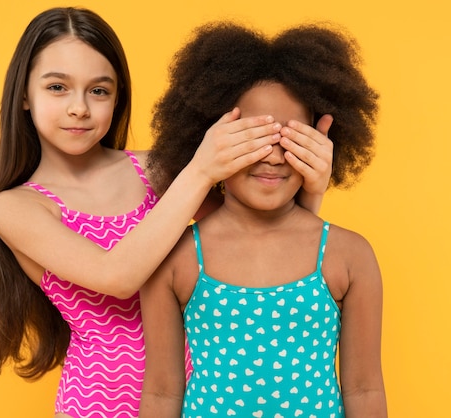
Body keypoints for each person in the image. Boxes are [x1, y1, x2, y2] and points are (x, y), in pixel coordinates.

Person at [0, 8, 333, 418]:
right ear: (23, 94)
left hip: (198, 397)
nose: (79, 108)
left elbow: (258, 243)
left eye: (99, 91)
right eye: (57, 87)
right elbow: (117, 277)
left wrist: (312, 189)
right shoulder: (17, 207)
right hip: (96, 403)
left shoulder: (155, 171)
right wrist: (200, 169)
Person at [139, 22, 386, 418]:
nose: (271, 157)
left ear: (320, 138)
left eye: (290, 138)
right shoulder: (174, 258)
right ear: (210, 138)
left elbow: (364, 388)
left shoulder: (349, 255)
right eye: (253, 137)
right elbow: (161, 395)